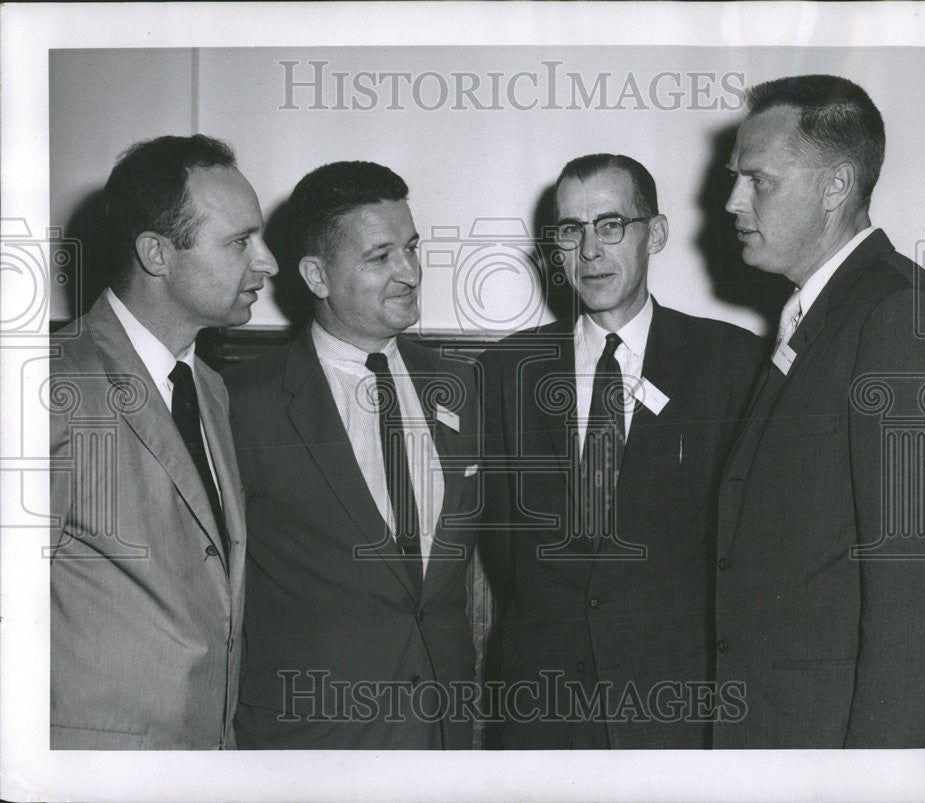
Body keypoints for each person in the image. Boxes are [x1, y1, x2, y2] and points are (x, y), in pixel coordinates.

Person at [479, 153, 765, 749]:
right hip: (541, 712)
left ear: (654, 234)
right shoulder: (504, 372)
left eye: (610, 225)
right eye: (570, 230)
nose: (588, 251)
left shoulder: (731, 365)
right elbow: (504, 555)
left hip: (674, 712)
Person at [714, 74, 925, 748]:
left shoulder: (897, 315)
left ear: (835, 186)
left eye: (757, 180)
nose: (732, 200)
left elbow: (918, 595)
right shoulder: (822, 310)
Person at [226, 161, 480, 749]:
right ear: (317, 276)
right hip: (311, 741)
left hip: (442, 734)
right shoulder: (241, 404)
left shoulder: (463, 388)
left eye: (412, 249)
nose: (410, 272)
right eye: (380, 256)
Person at [49, 134, 278, 749]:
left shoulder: (207, 386)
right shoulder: (49, 383)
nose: (268, 262)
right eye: (239, 242)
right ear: (157, 253)